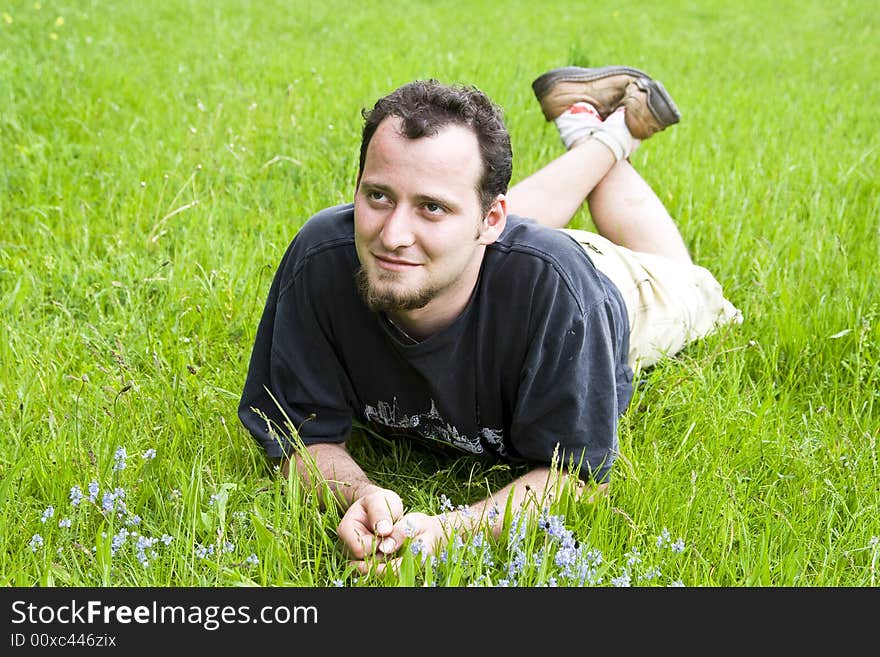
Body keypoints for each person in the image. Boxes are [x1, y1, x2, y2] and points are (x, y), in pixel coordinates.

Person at [238, 65, 742, 573]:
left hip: (607, 280)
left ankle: (611, 135)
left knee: (700, 289)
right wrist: (358, 495)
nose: (391, 235)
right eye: (378, 195)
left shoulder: (562, 299)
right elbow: (299, 438)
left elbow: (578, 478)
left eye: (430, 207)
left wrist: (447, 532)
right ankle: (589, 128)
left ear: (493, 222)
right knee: (454, 215)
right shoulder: (322, 258)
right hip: (478, 255)